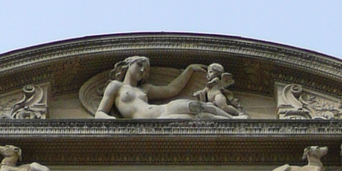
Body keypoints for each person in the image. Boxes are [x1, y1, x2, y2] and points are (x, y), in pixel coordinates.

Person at [95, 56, 244, 121]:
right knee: (200, 119)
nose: (142, 71)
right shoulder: (116, 86)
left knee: (197, 106)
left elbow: (171, 89)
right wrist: (110, 121)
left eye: (145, 69)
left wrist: (189, 69)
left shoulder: (145, 89)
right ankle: (232, 119)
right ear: (128, 64)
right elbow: (100, 112)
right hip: (157, 121)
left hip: (163, 111)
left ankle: (234, 118)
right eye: (139, 65)